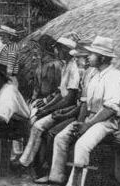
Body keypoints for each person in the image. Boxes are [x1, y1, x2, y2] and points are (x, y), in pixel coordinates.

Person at [40, 36, 120, 186]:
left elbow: (110, 109)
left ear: (102, 57)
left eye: (93, 54)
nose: (88, 57)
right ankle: (57, 179)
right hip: (90, 118)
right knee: (61, 137)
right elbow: (85, 103)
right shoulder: (93, 74)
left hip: (107, 121)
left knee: (82, 145)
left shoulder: (115, 76)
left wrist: (87, 126)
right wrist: (80, 122)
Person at [18, 33, 80, 169]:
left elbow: (69, 98)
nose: (56, 51)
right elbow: (60, 93)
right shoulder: (65, 66)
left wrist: (48, 109)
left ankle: (33, 163)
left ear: (66, 50)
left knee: (38, 125)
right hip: (60, 105)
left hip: (69, 109)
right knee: (34, 119)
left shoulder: (72, 69)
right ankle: (28, 161)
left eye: (59, 48)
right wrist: (46, 106)